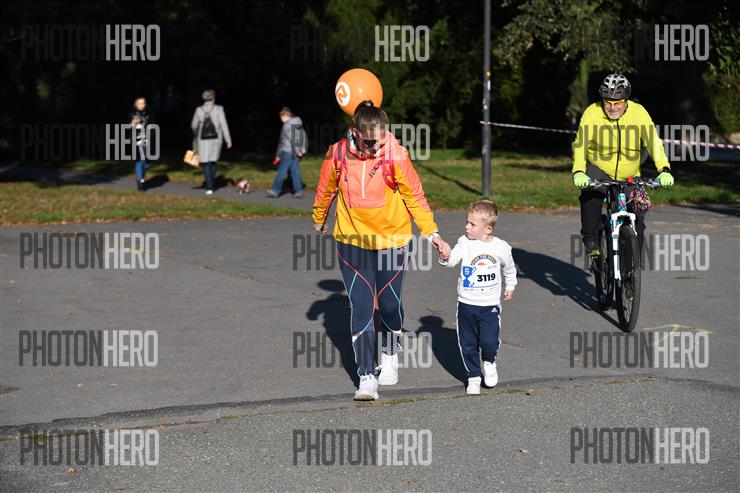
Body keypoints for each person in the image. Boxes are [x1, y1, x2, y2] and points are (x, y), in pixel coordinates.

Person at [312, 101, 451, 401]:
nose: (376, 145)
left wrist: (433, 234)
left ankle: (389, 353)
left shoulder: (396, 154)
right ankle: (366, 376)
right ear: (355, 131)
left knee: (389, 305)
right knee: (361, 306)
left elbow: (415, 197)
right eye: (370, 141)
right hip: (352, 241)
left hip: (392, 240)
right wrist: (319, 217)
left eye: (381, 138)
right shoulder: (337, 154)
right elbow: (326, 188)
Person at [572, 73, 674, 256]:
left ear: (626, 101)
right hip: (599, 167)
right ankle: (591, 240)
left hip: (630, 173)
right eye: (608, 102)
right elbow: (581, 144)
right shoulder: (592, 112)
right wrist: (579, 171)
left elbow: (653, 142)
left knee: (637, 218)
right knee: (591, 196)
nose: (612, 107)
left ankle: (632, 263)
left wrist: (664, 169)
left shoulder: (638, 113)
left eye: (617, 103)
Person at [438, 200, 517, 395]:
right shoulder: (464, 243)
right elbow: (452, 261)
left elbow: (509, 268)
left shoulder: (501, 247)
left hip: (490, 305)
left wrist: (510, 285)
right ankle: (473, 376)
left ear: (488, 229)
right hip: (466, 303)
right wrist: (445, 256)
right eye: (467, 222)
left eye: (472, 224)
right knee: (467, 344)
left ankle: (489, 361)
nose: (467, 227)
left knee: (489, 341)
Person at [190, 89, 232, 195]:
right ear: (213, 97)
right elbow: (224, 125)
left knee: (205, 162)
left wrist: (197, 133)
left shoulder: (199, 110)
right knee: (213, 161)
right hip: (216, 139)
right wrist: (228, 140)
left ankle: (209, 186)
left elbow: (193, 125)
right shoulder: (219, 109)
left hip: (202, 140)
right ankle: (211, 183)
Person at [267, 107, 307, 198]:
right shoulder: (298, 123)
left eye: (281, 117)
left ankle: (275, 190)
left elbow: (288, 140)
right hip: (295, 152)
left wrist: (278, 155)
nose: (281, 120)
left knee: (282, 171)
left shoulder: (287, 126)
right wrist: (302, 148)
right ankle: (299, 191)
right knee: (295, 171)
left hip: (287, 152)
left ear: (285, 116)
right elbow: (303, 136)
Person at [128, 97, 151, 191]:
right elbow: (127, 127)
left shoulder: (148, 114)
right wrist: (133, 123)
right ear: (135, 104)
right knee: (139, 160)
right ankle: (139, 181)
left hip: (146, 140)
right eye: (139, 103)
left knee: (145, 163)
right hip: (136, 141)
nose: (141, 105)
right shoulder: (131, 114)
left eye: (143, 103)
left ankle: (141, 178)